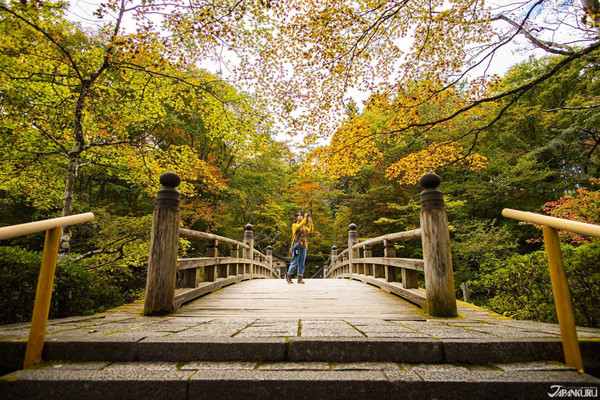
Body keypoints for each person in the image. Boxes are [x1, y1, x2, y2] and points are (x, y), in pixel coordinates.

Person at [286, 212, 314, 284]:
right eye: (299, 216)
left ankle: (300, 278)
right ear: (296, 218)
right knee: (295, 261)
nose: (301, 216)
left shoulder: (304, 227)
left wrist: (310, 222)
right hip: (296, 246)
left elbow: (311, 230)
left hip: (304, 246)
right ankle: (289, 276)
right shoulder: (294, 225)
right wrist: (305, 218)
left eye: (301, 215)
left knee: (302, 263)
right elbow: (300, 225)